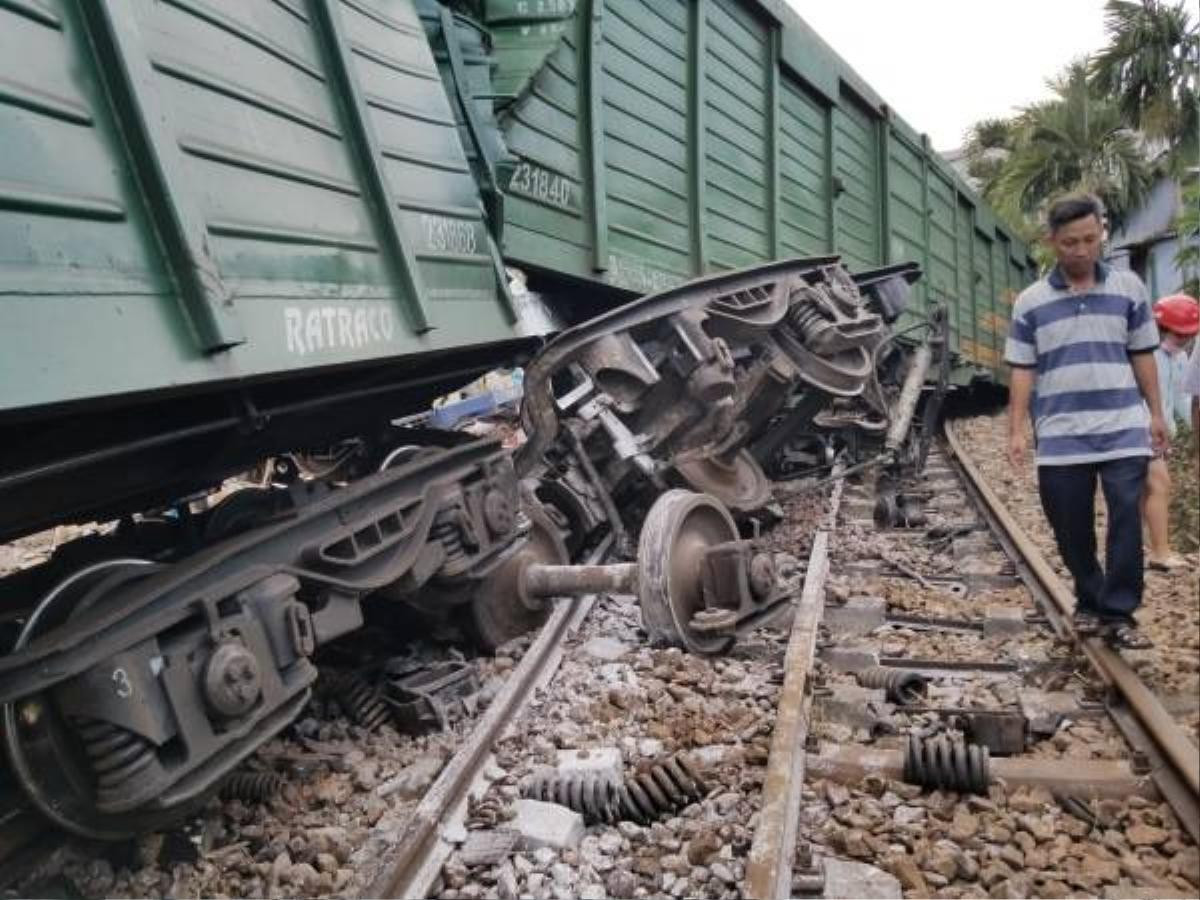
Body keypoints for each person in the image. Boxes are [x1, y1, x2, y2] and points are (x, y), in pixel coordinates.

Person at [1005, 194, 1167, 649]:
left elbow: (1142, 355)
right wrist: (1016, 429)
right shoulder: (1031, 302)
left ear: (1102, 234)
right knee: (1069, 525)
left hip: (1122, 428)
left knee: (1126, 522)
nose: (1082, 250)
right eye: (1071, 242)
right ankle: (1089, 597)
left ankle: (1118, 612)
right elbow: (1022, 368)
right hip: (1060, 434)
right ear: (1052, 241)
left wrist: (1155, 414)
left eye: (1091, 239)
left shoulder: (1129, 288)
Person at [1141, 294, 1198, 571]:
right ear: (1162, 328)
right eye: (1179, 335)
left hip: (1159, 436)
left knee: (1148, 491)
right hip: (1140, 432)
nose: (1185, 341)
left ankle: (1153, 549)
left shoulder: (1179, 357)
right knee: (1160, 485)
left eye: (1189, 336)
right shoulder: (1146, 353)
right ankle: (1160, 553)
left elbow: (1182, 399)